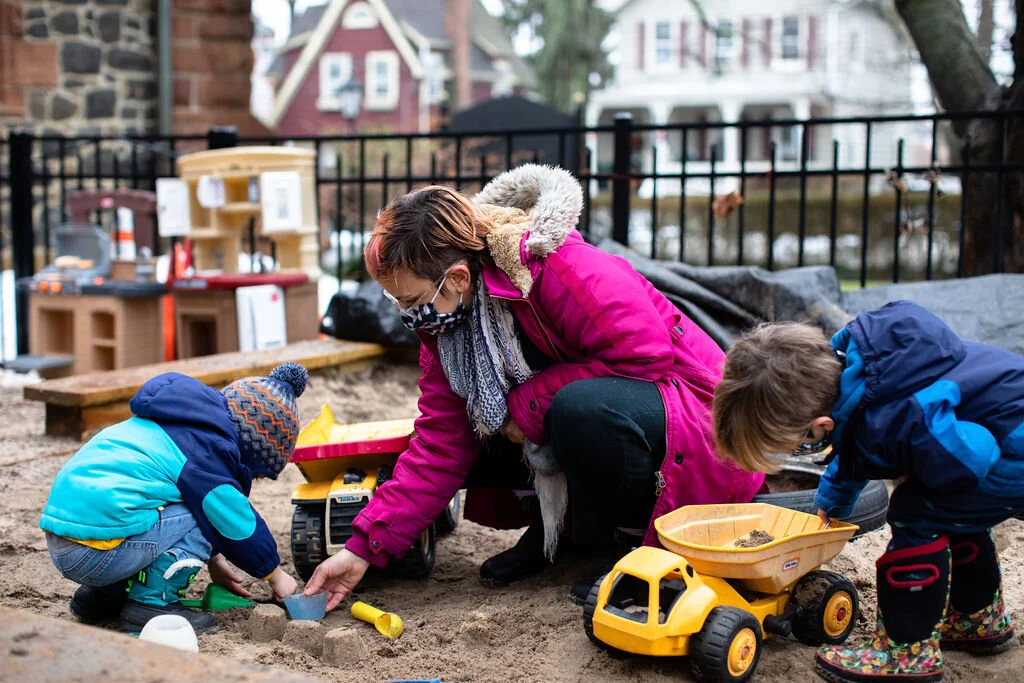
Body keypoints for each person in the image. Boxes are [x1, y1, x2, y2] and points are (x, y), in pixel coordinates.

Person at [303, 164, 765, 612]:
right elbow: (439, 444)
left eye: (412, 300)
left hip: (696, 419)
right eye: (396, 302)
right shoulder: (450, 329)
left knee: (575, 409)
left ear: (458, 277)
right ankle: (560, 533)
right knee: (479, 416)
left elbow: (645, 356)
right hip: (620, 410)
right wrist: (362, 548)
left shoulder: (563, 268)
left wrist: (526, 406)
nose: (407, 315)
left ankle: (621, 541)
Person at [712, 300, 1024, 682]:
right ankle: (978, 617)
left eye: (799, 443)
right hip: (1002, 423)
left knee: (916, 512)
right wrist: (833, 501)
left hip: (1008, 449)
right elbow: (857, 442)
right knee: (951, 510)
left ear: (820, 424)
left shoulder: (902, 416)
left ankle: (905, 652)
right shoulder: (866, 372)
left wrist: (931, 473)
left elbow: (974, 456)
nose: (799, 450)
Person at [39, 362, 308, 633]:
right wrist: (276, 574)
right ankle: (152, 606)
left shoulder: (172, 422)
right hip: (97, 555)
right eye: (257, 474)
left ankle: (103, 596)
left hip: (64, 540)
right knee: (210, 510)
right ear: (251, 450)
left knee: (158, 502)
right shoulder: (207, 452)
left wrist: (215, 560)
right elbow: (236, 522)